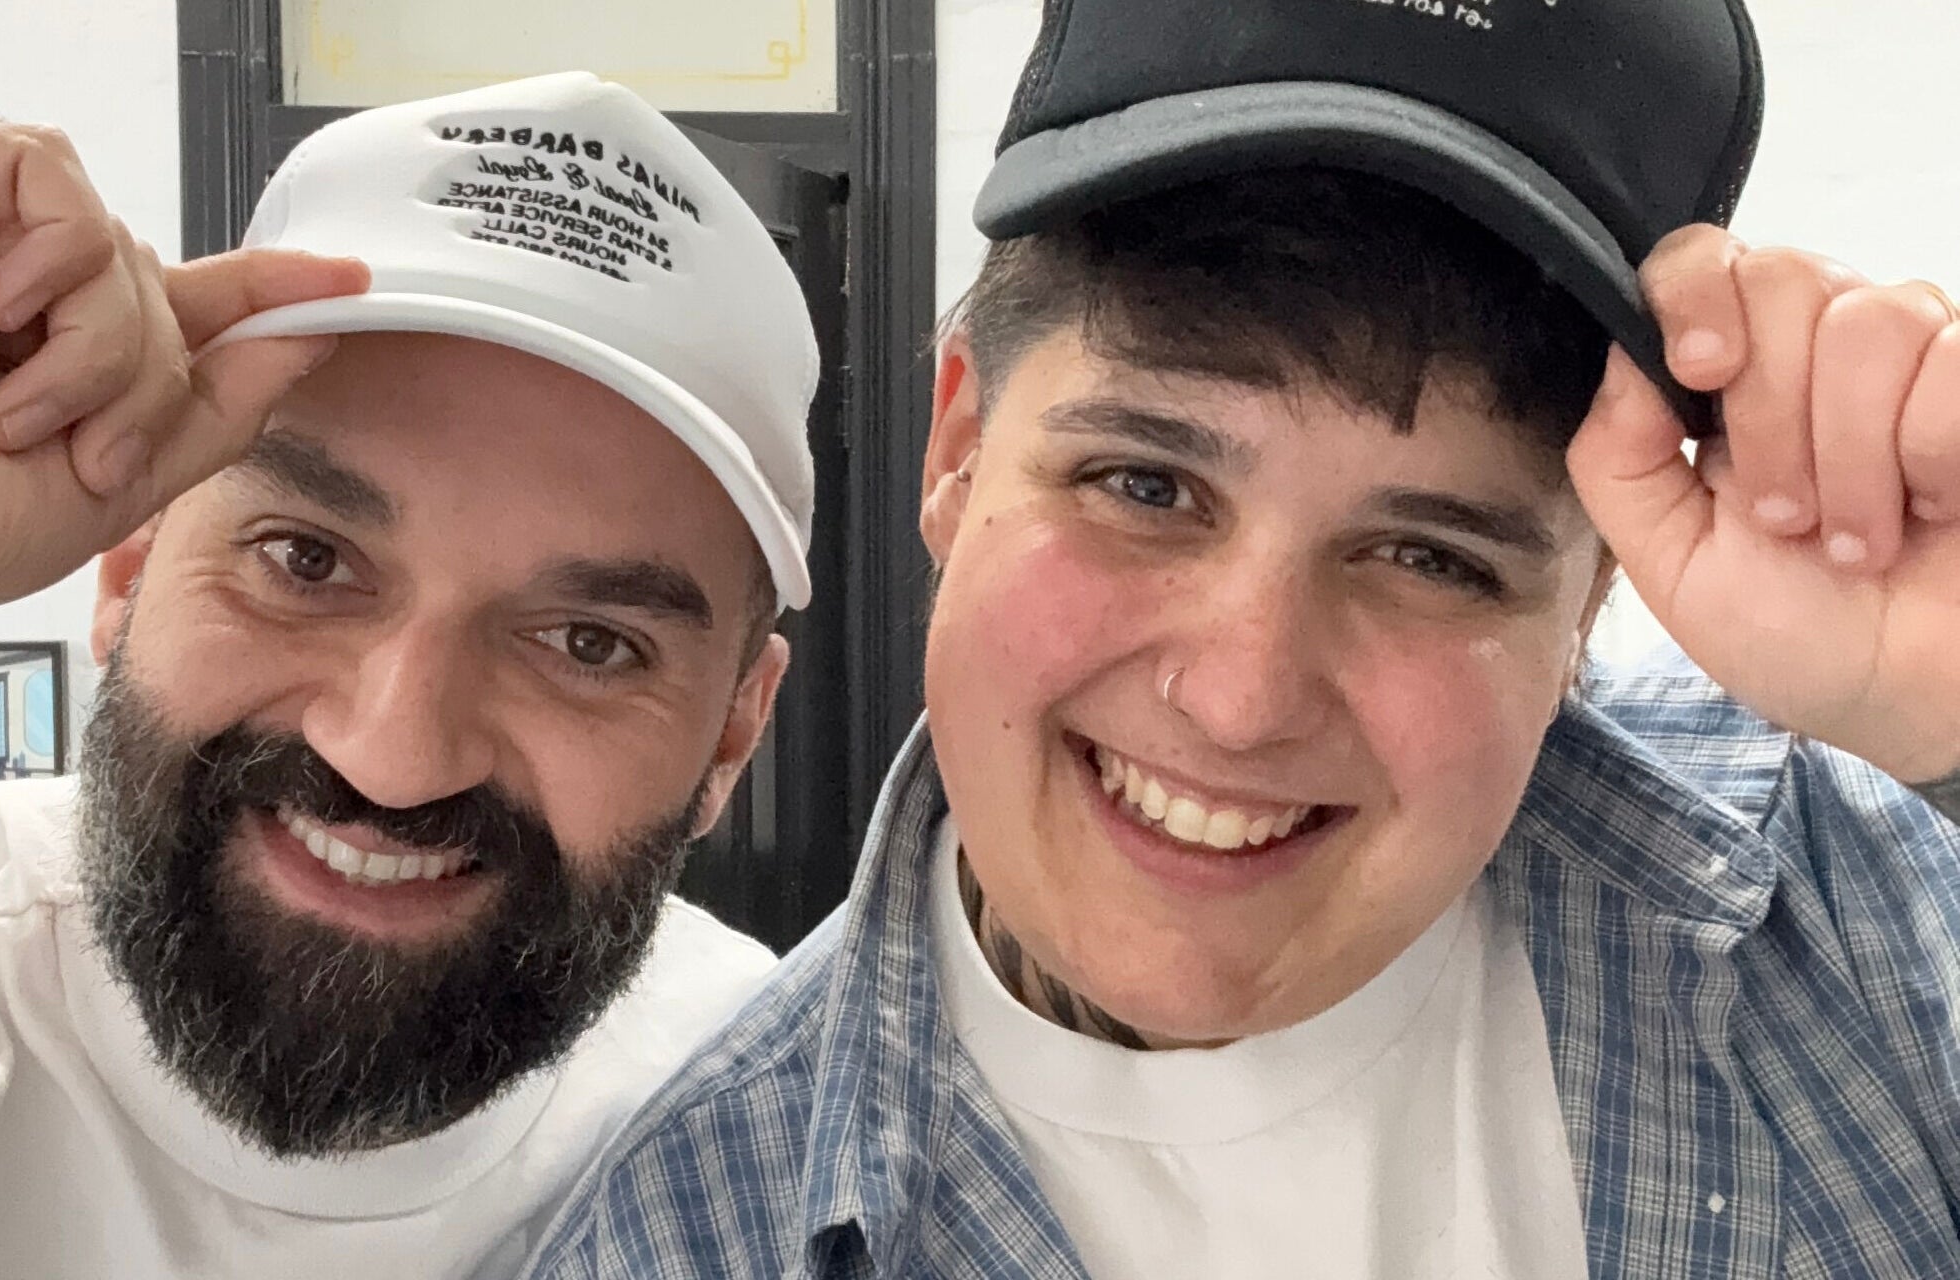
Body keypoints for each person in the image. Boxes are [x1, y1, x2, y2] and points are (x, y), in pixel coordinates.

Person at [524, 2, 1960, 1277]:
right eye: (1142, 486)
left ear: (1582, 602)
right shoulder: (691, 1231)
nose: (1237, 700)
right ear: (956, 449)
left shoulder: (1866, 905)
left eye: (1427, 558)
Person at [0, 72, 819, 1278]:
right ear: (130, 562)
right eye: (305, 560)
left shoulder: (794, 1142)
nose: (393, 751)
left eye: (588, 642)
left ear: (732, 736)